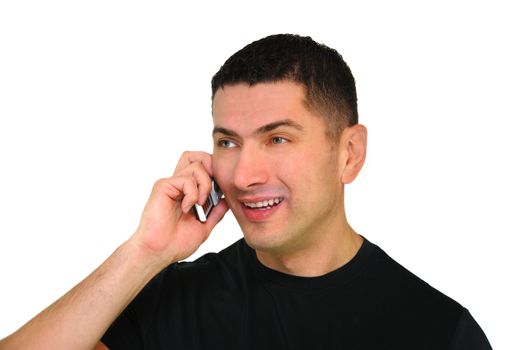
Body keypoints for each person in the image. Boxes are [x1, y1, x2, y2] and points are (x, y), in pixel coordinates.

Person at [0, 34, 491, 350]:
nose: (243, 174)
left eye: (278, 138)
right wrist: (142, 254)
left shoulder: (438, 331)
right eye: (227, 141)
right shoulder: (172, 303)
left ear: (350, 154)